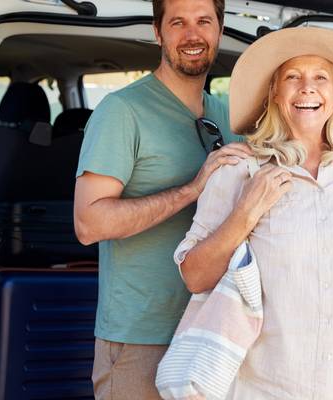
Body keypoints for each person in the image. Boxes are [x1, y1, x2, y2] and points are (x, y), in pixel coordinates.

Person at [175, 26, 333, 399]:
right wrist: (246, 212)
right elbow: (194, 276)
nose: (307, 88)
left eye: (321, 77)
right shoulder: (239, 170)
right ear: (274, 92)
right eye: (292, 77)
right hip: (265, 389)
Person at [72, 0, 254, 398]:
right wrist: (192, 189)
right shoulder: (122, 111)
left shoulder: (232, 118)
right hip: (142, 339)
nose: (193, 35)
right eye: (178, 23)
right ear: (158, 32)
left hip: (216, 333)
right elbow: (89, 224)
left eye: (204, 21)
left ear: (219, 30)